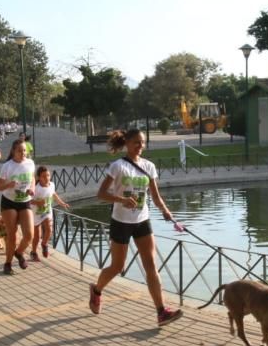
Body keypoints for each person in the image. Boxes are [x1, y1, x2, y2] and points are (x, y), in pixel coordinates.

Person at [89, 129, 182, 327]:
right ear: (127, 144)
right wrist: (121, 199)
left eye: (143, 142)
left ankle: (161, 311)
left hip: (142, 221)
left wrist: (166, 211)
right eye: (136, 143)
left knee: (151, 266)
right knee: (117, 267)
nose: (140, 146)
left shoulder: (149, 166)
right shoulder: (118, 166)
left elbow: (155, 197)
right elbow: (101, 193)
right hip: (121, 221)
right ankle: (96, 290)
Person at [0, 138, 35, 275]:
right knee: (11, 235)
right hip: (9, 202)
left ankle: (19, 253)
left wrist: (32, 189)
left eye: (24, 150)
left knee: (29, 235)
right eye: (19, 150)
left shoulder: (30, 163)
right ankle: (8, 263)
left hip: (25, 201)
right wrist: (8, 185)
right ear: (13, 152)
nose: (23, 153)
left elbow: (33, 178)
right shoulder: (8, 166)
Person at [29, 165, 69, 262]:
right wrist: (38, 203)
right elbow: (28, 201)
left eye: (48, 175)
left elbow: (54, 194)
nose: (46, 178)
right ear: (39, 177)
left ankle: (45, 244)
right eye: (43, 176)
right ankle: (33, 252)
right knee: (37, 236)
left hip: (47, 211)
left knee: (49, 229)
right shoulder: (36, 189)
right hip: (36, 214)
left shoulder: (52, 184)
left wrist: (61, 203)